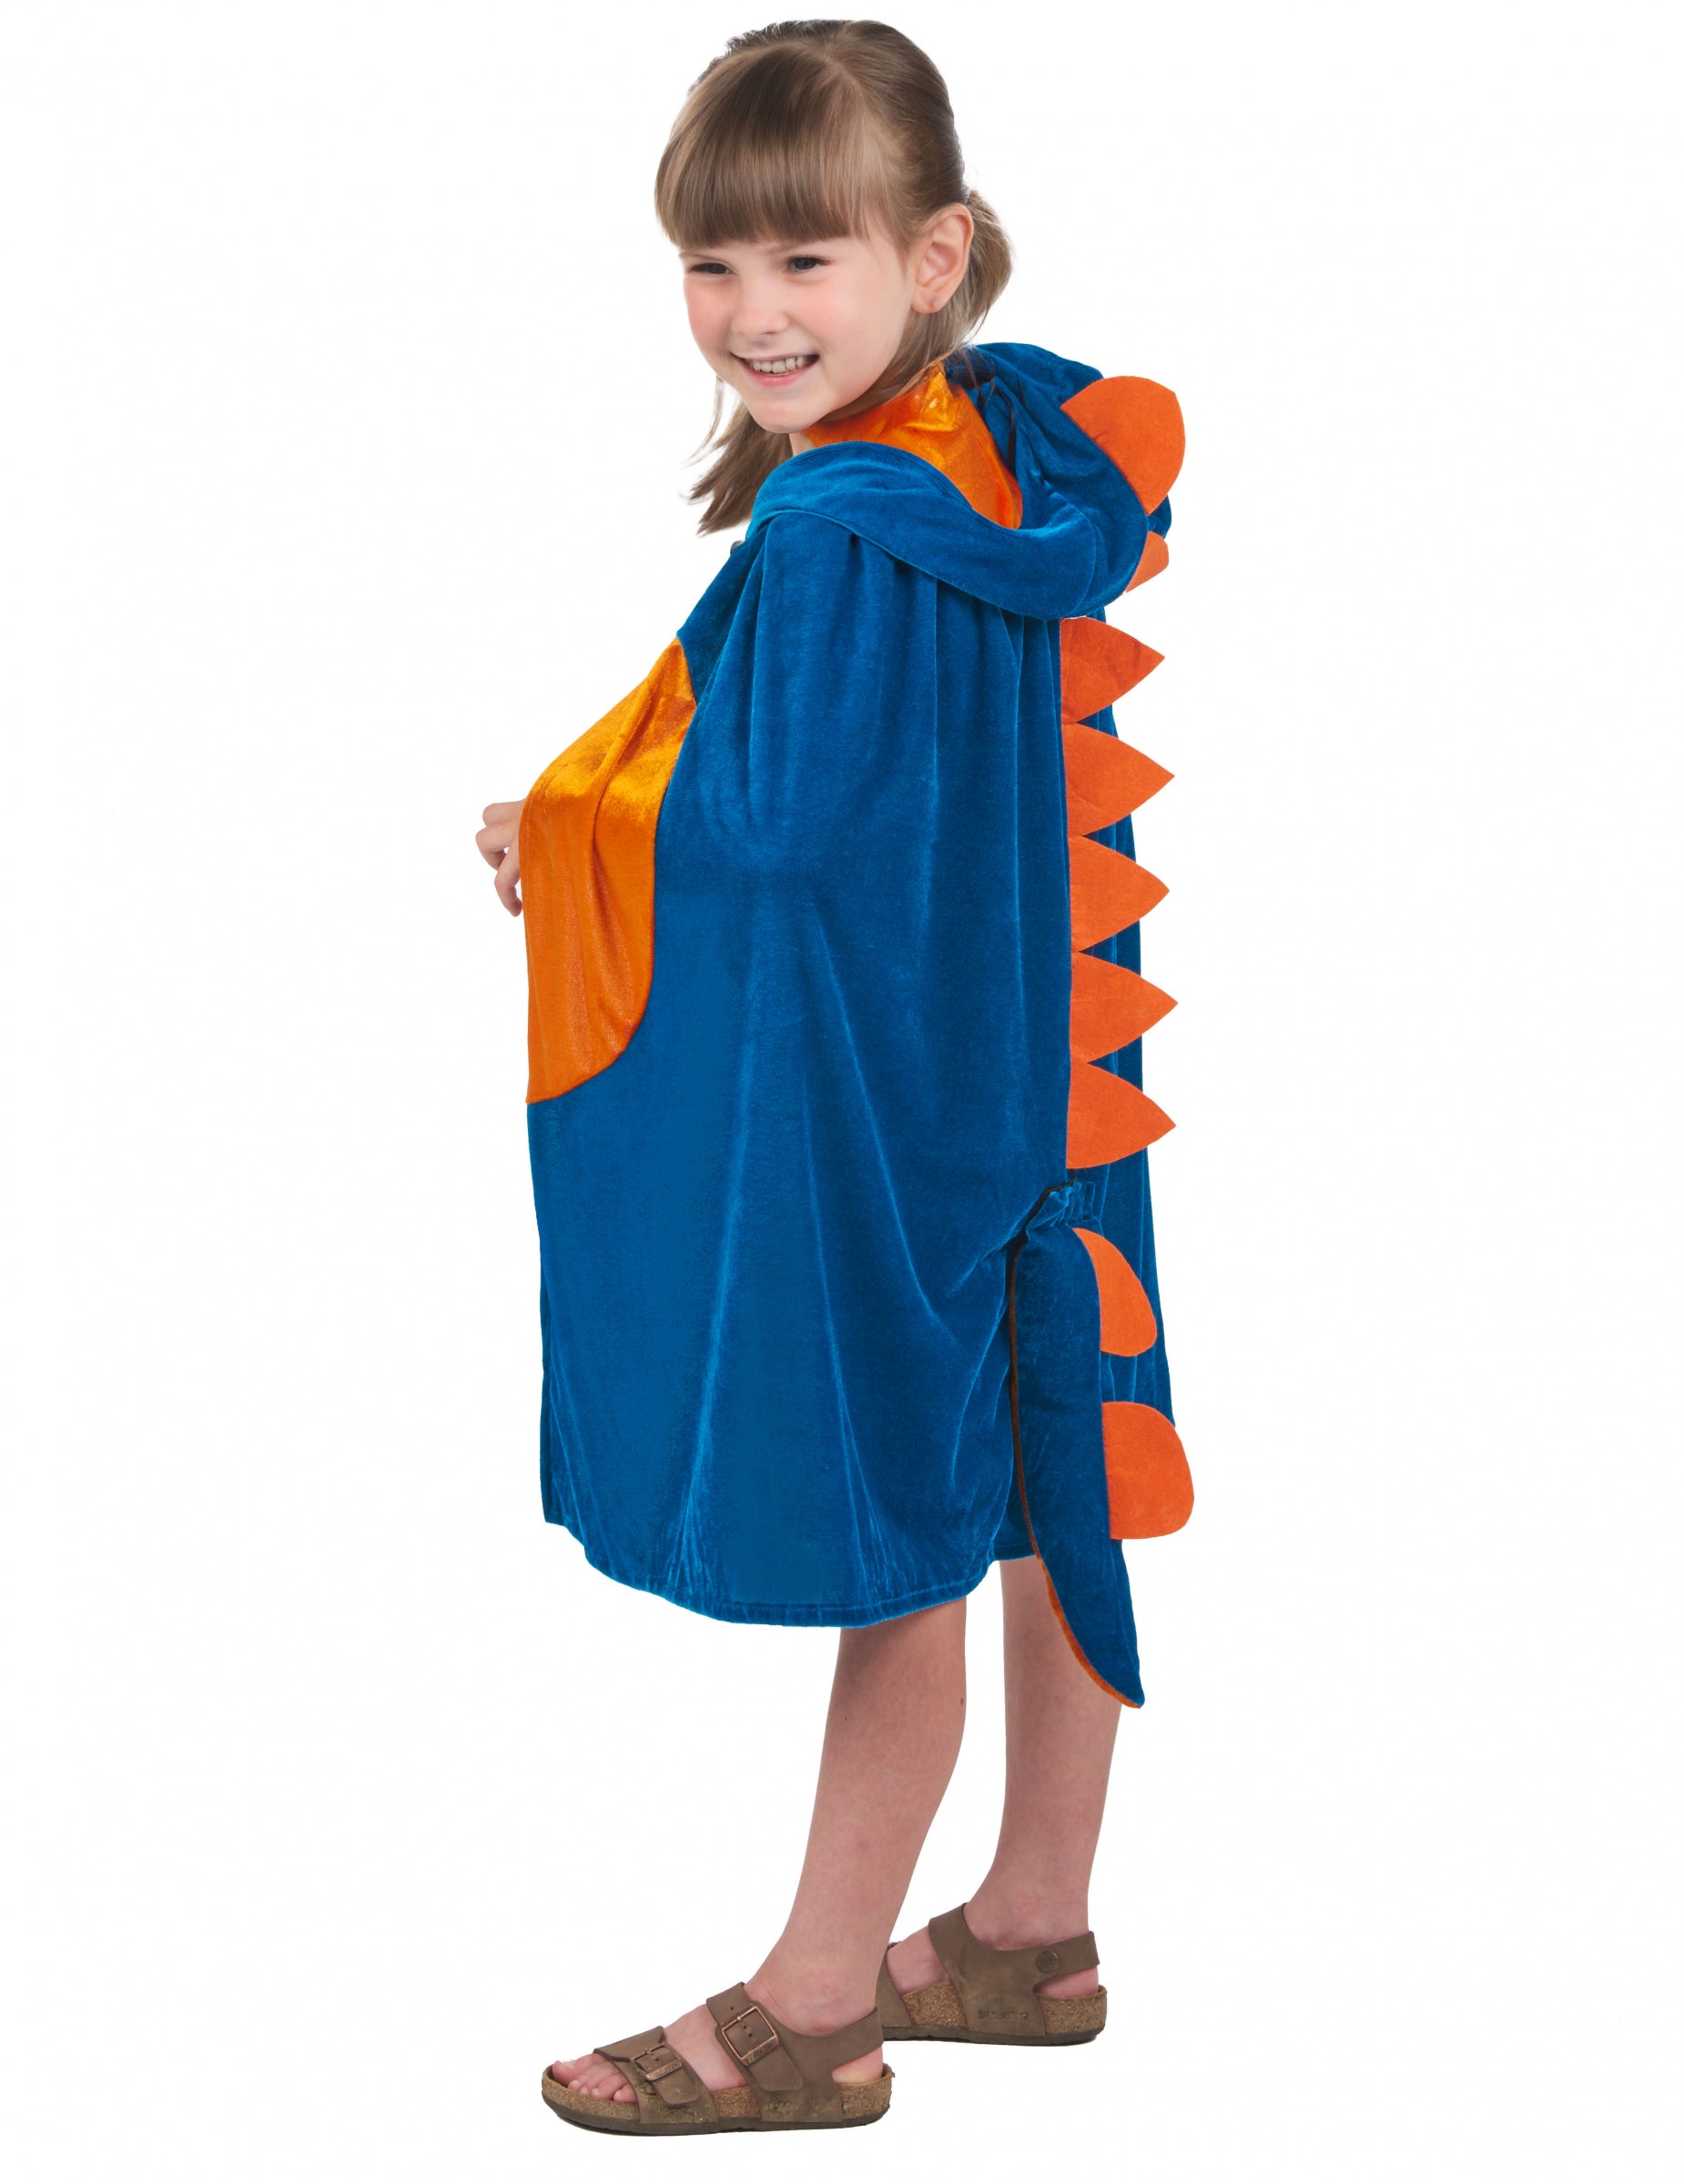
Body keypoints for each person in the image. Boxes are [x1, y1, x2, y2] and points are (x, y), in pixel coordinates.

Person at [475, 19, 1192, 2139]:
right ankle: (1030, 1926)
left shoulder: (839, 526)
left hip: (914, 1099)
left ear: (932, 253)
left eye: (804, 259)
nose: (752, 312)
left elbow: (777, 846)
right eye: (712, 265)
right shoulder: (1013, 448)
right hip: (1050, 1057)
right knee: (1058, 1476)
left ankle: (813, 2010)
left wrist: (573, 835)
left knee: (904, 1531)